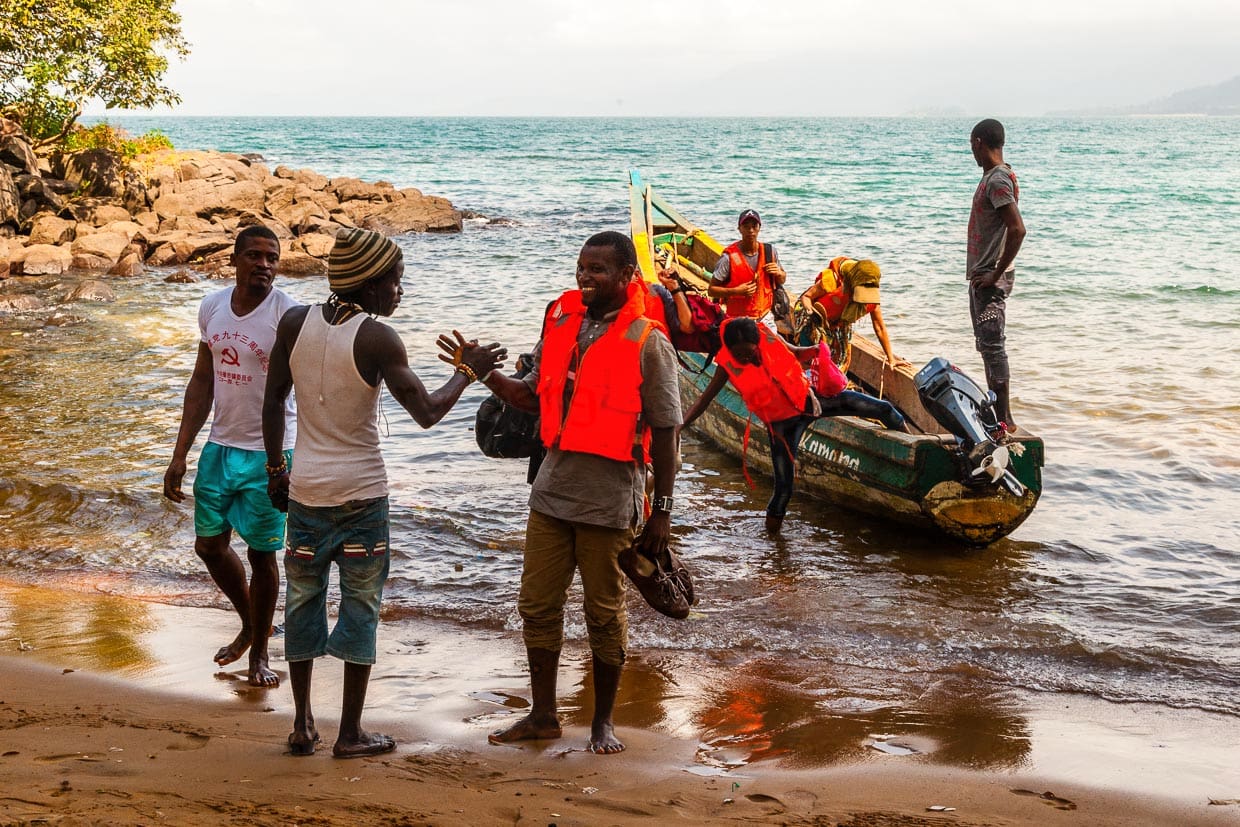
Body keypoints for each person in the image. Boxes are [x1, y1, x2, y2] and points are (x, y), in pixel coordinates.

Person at [261, 227, 503, 758]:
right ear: (370, 284)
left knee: (301, 603)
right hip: (361, 498)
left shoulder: (294, 322)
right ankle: (350, 733)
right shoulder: (377, 338)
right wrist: (469, 372)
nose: (400, 291)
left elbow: (273, 399)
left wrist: (276, 470)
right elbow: (427, 412)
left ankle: (302, 725)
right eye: (395, 280)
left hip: (305, 493)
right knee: (360, 609)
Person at [481, 231, 681, 755]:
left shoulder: (648, 340)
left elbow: (667, 431)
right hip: (551, 493)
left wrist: (661, 512)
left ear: (626, 276)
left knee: (604, 613)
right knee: (536, 606)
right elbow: (530, 396)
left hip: (609, 501)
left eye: (597, 269)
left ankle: (603, 723)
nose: (584, 277)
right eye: (581, 268)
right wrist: (485, 374)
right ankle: (543, 715)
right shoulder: (562, 323)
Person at [163, 225, 298, 689]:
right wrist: (180, 453)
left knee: (262, 554)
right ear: (235, 259)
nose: (265, 264)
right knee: (209, 546)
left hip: (270, 453)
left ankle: (259, 652)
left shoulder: (288, 314)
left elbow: (305, 388)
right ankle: (251, 625)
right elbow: (202, 382)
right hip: (220, 447)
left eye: (272, 258)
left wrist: (293, 462)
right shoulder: (212, 307)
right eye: (255, 255)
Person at [681, 317, 906, 535]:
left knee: (883, 409)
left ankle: (909, 443)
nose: (746, 358)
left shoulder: (767, 337)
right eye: (739, 355)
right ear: (730, 351)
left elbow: (796, 353)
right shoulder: (726, 365)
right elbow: (703, 401)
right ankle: (773, 545)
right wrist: (679, 426)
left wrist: (816, 351)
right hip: (782, 428)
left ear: (757, 342)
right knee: (784, 490)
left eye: (749, 352)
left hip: (810, 402)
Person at [968, 118, 1026, 429]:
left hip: (990, 276)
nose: (972, 153)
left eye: (972, 146)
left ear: (978, 143)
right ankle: (997, 417)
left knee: (993, 347)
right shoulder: (996, 176)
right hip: (986, 274)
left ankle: (1004, 419)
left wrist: (994, 274)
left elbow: (1017, 229)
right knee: (987, 346)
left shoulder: (997, 180)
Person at [796, 257, 910, 372]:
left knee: (840, 364)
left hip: (839, 324)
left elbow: (879, 327)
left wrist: (891, 359)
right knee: (811, 362)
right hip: (813, 322)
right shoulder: (831, 280)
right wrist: (811, 313)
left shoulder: (871, 295)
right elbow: (806, 297)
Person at [708, 209, 787, 322]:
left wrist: (779, 273)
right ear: (739, 229)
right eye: (746, 226)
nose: (751, 230)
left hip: (765, 316)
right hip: (738, 319)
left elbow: (782, 280)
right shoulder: (729, 257)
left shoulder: (769, 252)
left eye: (754, 226)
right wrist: (736, 291)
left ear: (759, 228)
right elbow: (711, 290)